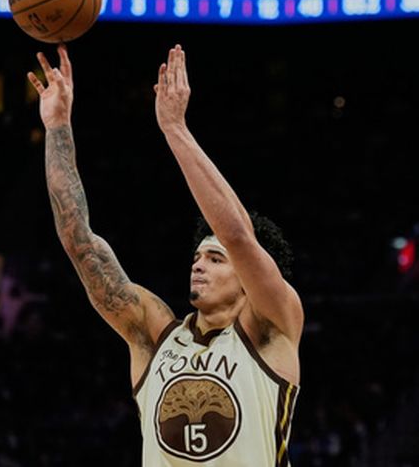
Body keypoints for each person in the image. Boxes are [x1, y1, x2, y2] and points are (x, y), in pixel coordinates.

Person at [28, 44, 304, 465]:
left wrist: (175, 127)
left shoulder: (272, 328)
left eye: (215, 259)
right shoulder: (155, 334)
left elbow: (237, 236)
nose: (199, 263)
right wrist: (58, 127)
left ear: (250, 282)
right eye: (198, 256)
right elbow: (79, 241)